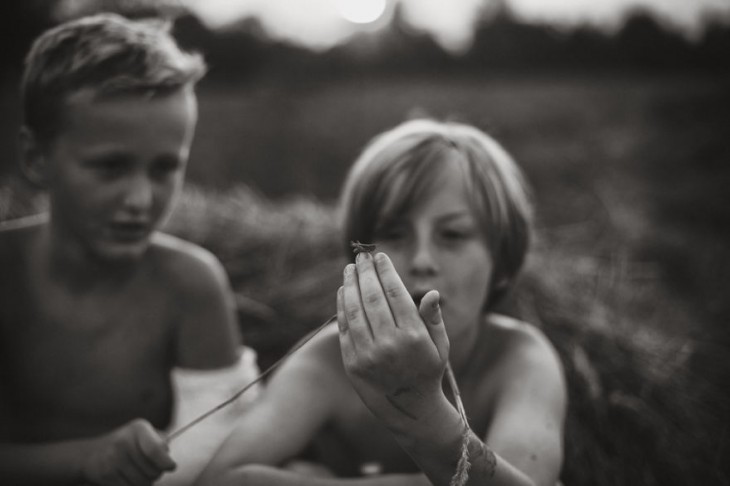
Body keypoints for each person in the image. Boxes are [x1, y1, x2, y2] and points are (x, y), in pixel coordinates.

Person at [196, 118, 568, 485]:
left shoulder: (518, 359)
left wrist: (419, 407)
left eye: (452, 235)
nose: (422, 259)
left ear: (501, 262)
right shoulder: (328, 361)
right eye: (394, 233)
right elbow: (222, 479)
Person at [0, 13, 259, 485]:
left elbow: (219, 448)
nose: (140, 200)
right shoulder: (6, 275)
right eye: (110, 167)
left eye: (164, 169)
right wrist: (86, 459)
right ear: (36, 158)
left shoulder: (192, 286)